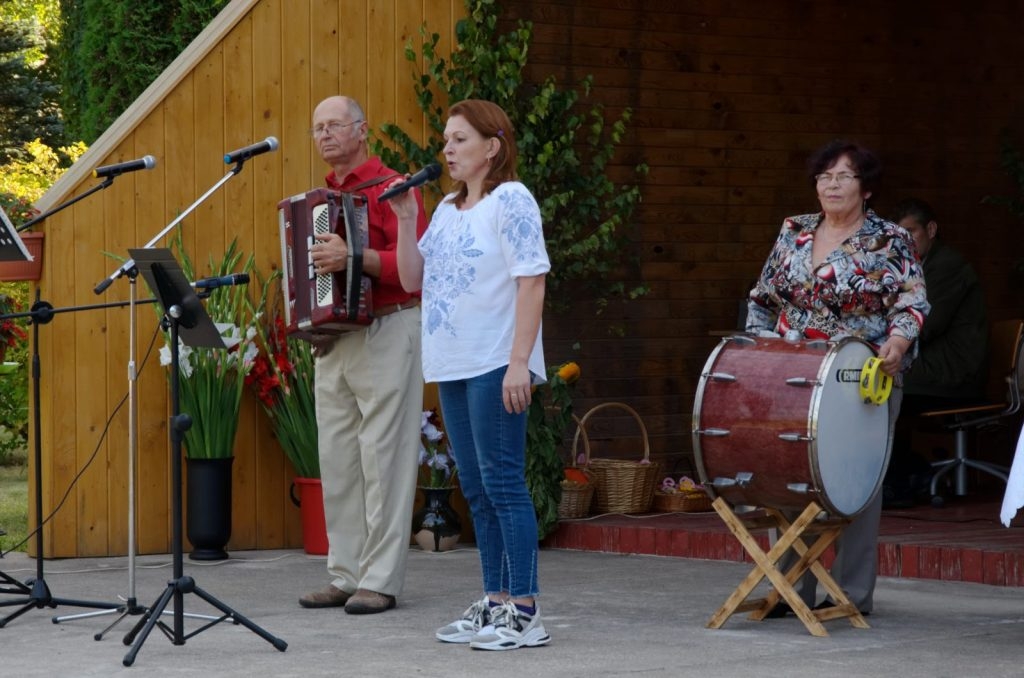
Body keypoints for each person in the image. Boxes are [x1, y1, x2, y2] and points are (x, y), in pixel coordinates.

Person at [391, 99, 552, 650]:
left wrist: (519, 363)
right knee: (478, 491)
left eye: (459, 139)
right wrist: (408, 218)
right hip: (454, 364)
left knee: (504, 483)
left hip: (495, 361)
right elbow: (413, 279)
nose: (447, 150)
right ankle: (497, 600)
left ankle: (525, 609)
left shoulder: (512, 200)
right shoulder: (445, 210)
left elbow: (532, 281)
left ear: (493, 146)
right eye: (445, 140)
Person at [746, 139, 929, 616]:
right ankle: (790, 589)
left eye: (843, 176)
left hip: (860, 375)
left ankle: (850, 593)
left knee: (856, 484)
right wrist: (757, 353)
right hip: (791, 373)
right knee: (786, 475)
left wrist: (898, 344)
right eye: (824, 176)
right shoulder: (794, 230)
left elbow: (912, 303)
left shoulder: (889, 239)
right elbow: (763, 298)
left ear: (865, 187)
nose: (831, 184)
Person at [298, 95, 428, 614]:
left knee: (384, 460)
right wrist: (312, 319)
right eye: (317, 128)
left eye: (334, 125)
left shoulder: (393, 187)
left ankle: (380, 580)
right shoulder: (317, 201)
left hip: (390, 328)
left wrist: (352, 256)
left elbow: (411, 270)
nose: (325, 135)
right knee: (339, 461)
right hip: (337, 339)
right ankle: (345, 573)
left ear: (362, 129)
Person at [883, 198, 988, 507]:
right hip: (927, 365)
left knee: (886, 387)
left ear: (931, 229)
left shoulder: (948, 266)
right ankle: (904, 473)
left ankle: (898, 481)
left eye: (910, 232)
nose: (904, 242)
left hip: (953, 373)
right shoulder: (911, 266)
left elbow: (924, 327)